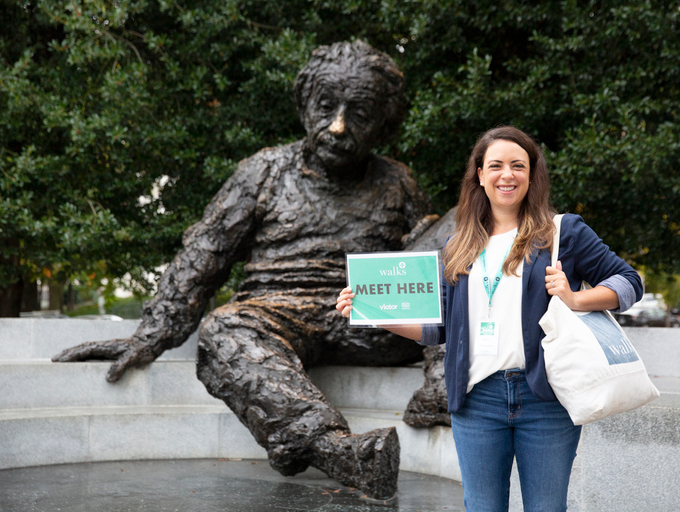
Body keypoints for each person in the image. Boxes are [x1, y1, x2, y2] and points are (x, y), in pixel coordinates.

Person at [53, 40, 437, 500]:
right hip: (275, 311)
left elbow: (434, 268)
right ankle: (337, 450)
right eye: (326, 106)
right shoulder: (264, 171)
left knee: (461, 229)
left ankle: (442, 389)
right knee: (224, 329)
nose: (337, 126)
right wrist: (152, 332)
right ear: (303, 105)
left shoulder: (398, 181)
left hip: (369, 317)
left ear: (382, 122)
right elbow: (205, 252)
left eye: (358, 113)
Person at [336, 125, 643, 511]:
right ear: (480, 175)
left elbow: (630, 282)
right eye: (495, 165)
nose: (507, 174)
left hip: (545, 398)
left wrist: (575, 298)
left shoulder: (562, 233)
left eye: (518, 165)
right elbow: (439, 328)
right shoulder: (457, 244)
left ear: (532, 175)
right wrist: (374, 314)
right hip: (477, 400)